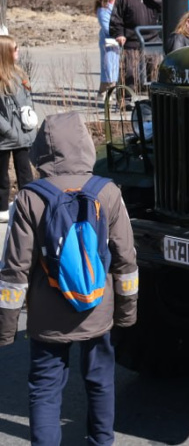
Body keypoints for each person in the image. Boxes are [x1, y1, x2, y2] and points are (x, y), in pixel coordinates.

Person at [0, 111, 138, 446]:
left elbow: (14, 271)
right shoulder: (107, 192)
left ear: (40, 153)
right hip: (97, 308)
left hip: (48, 317)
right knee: (100, 381)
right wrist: (126, 314)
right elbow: (126, 260)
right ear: (87, 147)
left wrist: (6, 329)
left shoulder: (30, 198)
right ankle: (100, 441)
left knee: (45, 389)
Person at [0, 36, 35, 224]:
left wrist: (30, 123)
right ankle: (2, 209)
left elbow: (28, 101)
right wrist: (9, 132)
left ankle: (27, 206)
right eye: (15, 48)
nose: (18, 51)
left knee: (25, 173)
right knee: (2, 176)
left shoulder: (20, 74)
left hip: (22, 135)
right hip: (4, 138)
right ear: (6, 53)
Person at [109, 0, 162, 92]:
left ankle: (152, 98)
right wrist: (119, 34)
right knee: (129, 71)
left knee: (154, 70)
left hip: (151, 39)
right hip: (132, 40)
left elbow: (161, 5)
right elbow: (116, 18)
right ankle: (126, 99)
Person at [94, 0, 120, 98]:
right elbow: (107, 28)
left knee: (112, 69)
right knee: (109, 69)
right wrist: (120, 34)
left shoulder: (117, 6)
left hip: (118, 42)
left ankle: (101, 93)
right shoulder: (103, 10)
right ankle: (108, 95)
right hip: (109, 42)